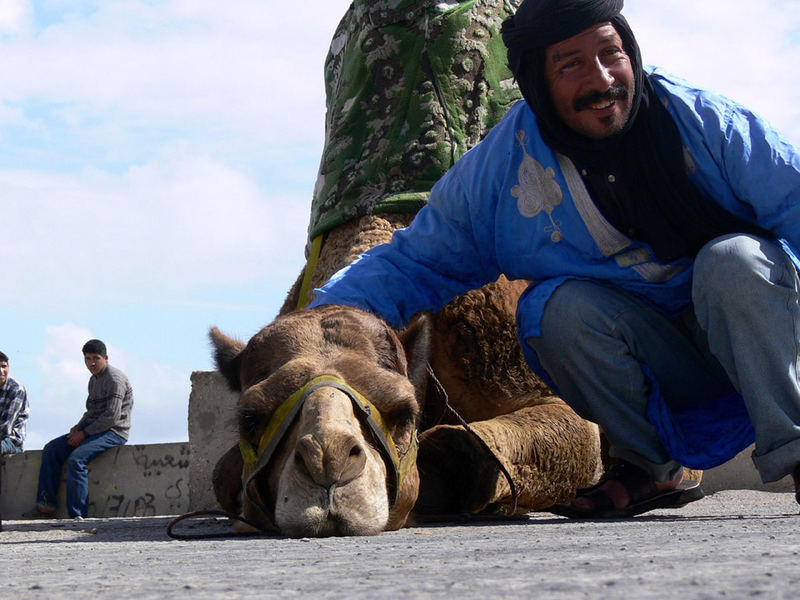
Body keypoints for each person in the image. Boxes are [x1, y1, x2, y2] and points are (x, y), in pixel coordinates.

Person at [308, 0, 800, 517]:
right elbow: (413, 261)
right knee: (552, 310)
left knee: (735, 261)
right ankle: (651, 467)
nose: (603, 78)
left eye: (612, 53)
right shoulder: (500, 169)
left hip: (768, 337)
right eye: (572, 65)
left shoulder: (704, 122)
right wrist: (321, 319)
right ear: (538, 83)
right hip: (662, 357)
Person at [36, 339, 134, 519]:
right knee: (52, 449)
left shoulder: (114, 379)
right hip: (92, 429)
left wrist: (84, 434)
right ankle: (46, 504)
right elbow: (92, 411)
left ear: (106, 358)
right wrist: (79, 427)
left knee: (76, 460)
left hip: (114, 432)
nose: (92, 363)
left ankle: (78, 515)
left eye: (96, 358)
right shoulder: (93, 380)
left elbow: (111, 417)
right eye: (87, 359)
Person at [0, 351, 29, 455]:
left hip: (11, 441)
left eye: (4, 366)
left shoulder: (16, 389)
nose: (1, 371)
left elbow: (5, 427)